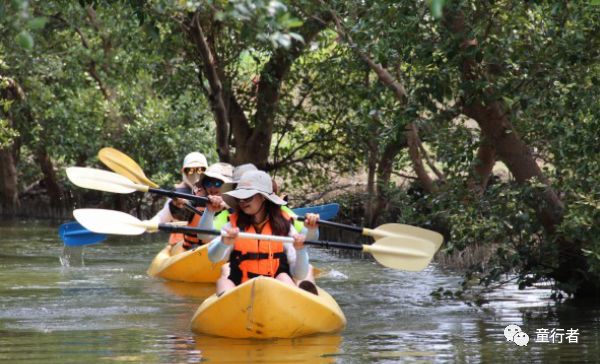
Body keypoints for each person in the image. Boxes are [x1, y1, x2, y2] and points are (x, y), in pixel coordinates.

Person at [207, 170, 320, 295]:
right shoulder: (232, 226)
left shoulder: (284, 228)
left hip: (275, 292)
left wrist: (300, 250)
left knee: (284, 277)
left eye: (247, 197)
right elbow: (213, 257)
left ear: (263, 197)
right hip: (242, 289)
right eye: (239, 198)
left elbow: (300, 274)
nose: (242, 201)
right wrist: (224, 243)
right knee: (223, 282)